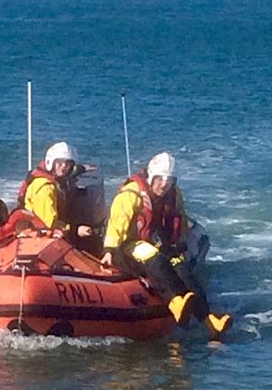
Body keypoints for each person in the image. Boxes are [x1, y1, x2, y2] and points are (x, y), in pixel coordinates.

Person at [101, 152, 232, 338]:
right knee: (155, 259)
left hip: (157, 243)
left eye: (169, 179)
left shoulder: (174, 194)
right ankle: (174, 302)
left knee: (182, 269)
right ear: (151, 176)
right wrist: (109, 250)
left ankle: (209, 320)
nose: (164, 184)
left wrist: (180, 243)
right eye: (160, 179)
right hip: (128, 246)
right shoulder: (130, 195)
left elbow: (179, 219)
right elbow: (117, 225)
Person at [17, 142, 95, 246]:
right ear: (51, 162)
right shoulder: (45, 188)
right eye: (60, 162)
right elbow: (49, 224)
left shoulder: (54, 177)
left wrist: (81, 168)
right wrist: (76, 230)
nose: (64, 166)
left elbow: (68, 172)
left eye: (68, 163)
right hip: (39, 234)